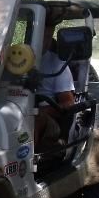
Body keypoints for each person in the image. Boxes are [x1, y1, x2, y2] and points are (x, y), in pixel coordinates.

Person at [34, 17, 75, 150]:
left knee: (33, 119)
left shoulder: (58, 64)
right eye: (40, 35)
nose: (43, 41)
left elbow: (68, 103)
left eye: (47, 36)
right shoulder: (16, 58)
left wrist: (40, 111)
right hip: (19, 108)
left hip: (47, 120)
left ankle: (27, 160)